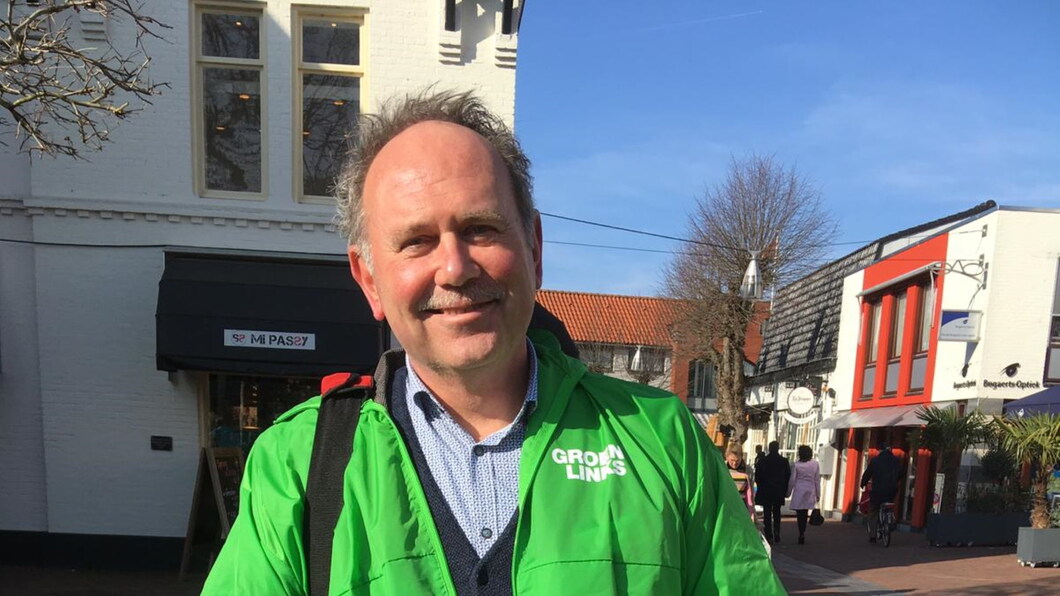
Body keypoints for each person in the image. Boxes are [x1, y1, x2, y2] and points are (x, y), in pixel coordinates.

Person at [200, 89, 784, 596]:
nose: (454, 268)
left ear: (533, 247)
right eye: (416, 241)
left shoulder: (664, 441)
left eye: (480, 228)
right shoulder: (296, 466)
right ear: (369, 279)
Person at [860, 442, 901, 543]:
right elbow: (901, 473)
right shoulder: (896, 460)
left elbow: (867, 473)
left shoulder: (875, 461)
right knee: (889, 503)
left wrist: (863, 483)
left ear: (880, 451)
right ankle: (890, 519)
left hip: (877, 490)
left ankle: (872, 535)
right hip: (892, 490)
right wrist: (895, 480)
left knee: (873, 510)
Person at [755, 441, 791, 544]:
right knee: (777, 512)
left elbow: (758, 476)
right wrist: (784, 489)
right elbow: (787, 476)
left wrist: (761, 486)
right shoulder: (784, 461)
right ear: (778, 448)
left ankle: (768, 534)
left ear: (769, 449)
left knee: (767, 512)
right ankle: (777, 532)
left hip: (766, 489)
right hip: (778, 490)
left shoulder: (763, 461)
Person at [787, 445, 820, 545]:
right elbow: (817, 480)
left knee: (800, 513)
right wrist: (818, 493)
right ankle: (803, 531)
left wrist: (788, 492)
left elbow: (792, 480)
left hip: (799, 490)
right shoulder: (815, 464)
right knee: (805, 512)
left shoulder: (796, 465)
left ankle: (801, 531)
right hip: (810, 490)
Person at [726, 450, 756, 522]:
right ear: (727, 457)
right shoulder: (722, 469)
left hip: (741, 507)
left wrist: (751, 511)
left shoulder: (747, 472)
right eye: (732, 460)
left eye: (737, 460)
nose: (734, 463)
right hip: (727, 506)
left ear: (741, 458)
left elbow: (749, 494)